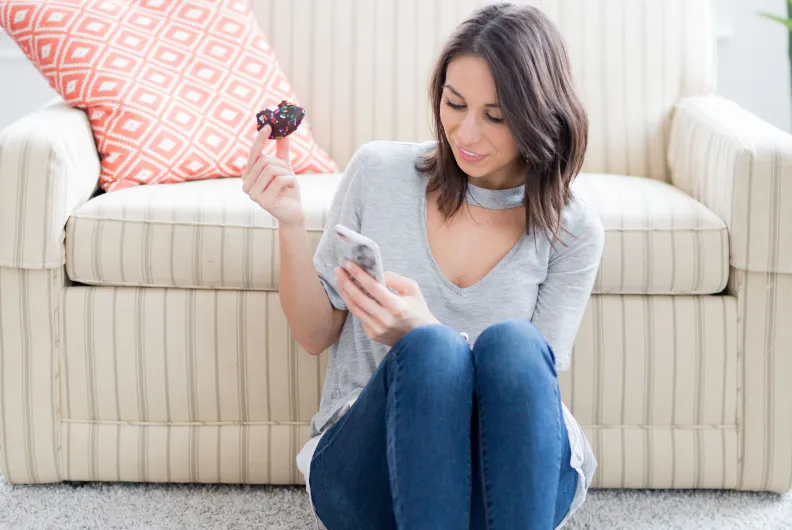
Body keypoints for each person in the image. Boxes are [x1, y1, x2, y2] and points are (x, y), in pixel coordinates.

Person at [241, 3, 604, 529]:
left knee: (514, 346)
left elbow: (530, 385)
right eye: (454, 105)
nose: (467, 133)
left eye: (496, 116)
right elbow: (315, 334)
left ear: (540, 117)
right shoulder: (380, 172)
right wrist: (290, 224)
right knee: (431, 352)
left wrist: (424, 327)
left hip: (509, 478)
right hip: (371, 472)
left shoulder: (572, 227)